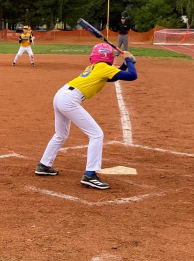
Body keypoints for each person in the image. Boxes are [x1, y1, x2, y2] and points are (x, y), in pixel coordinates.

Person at [35, 43, 138, 190]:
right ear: (108, 57)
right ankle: (90, 175)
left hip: (61, 95)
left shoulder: (96, 67)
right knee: (96, 134)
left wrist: (126, 63)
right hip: (69, 100)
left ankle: (44, 165)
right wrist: (128, 60)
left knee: (61, 134)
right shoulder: (104, 68)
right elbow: (132, 76)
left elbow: (113, 77)